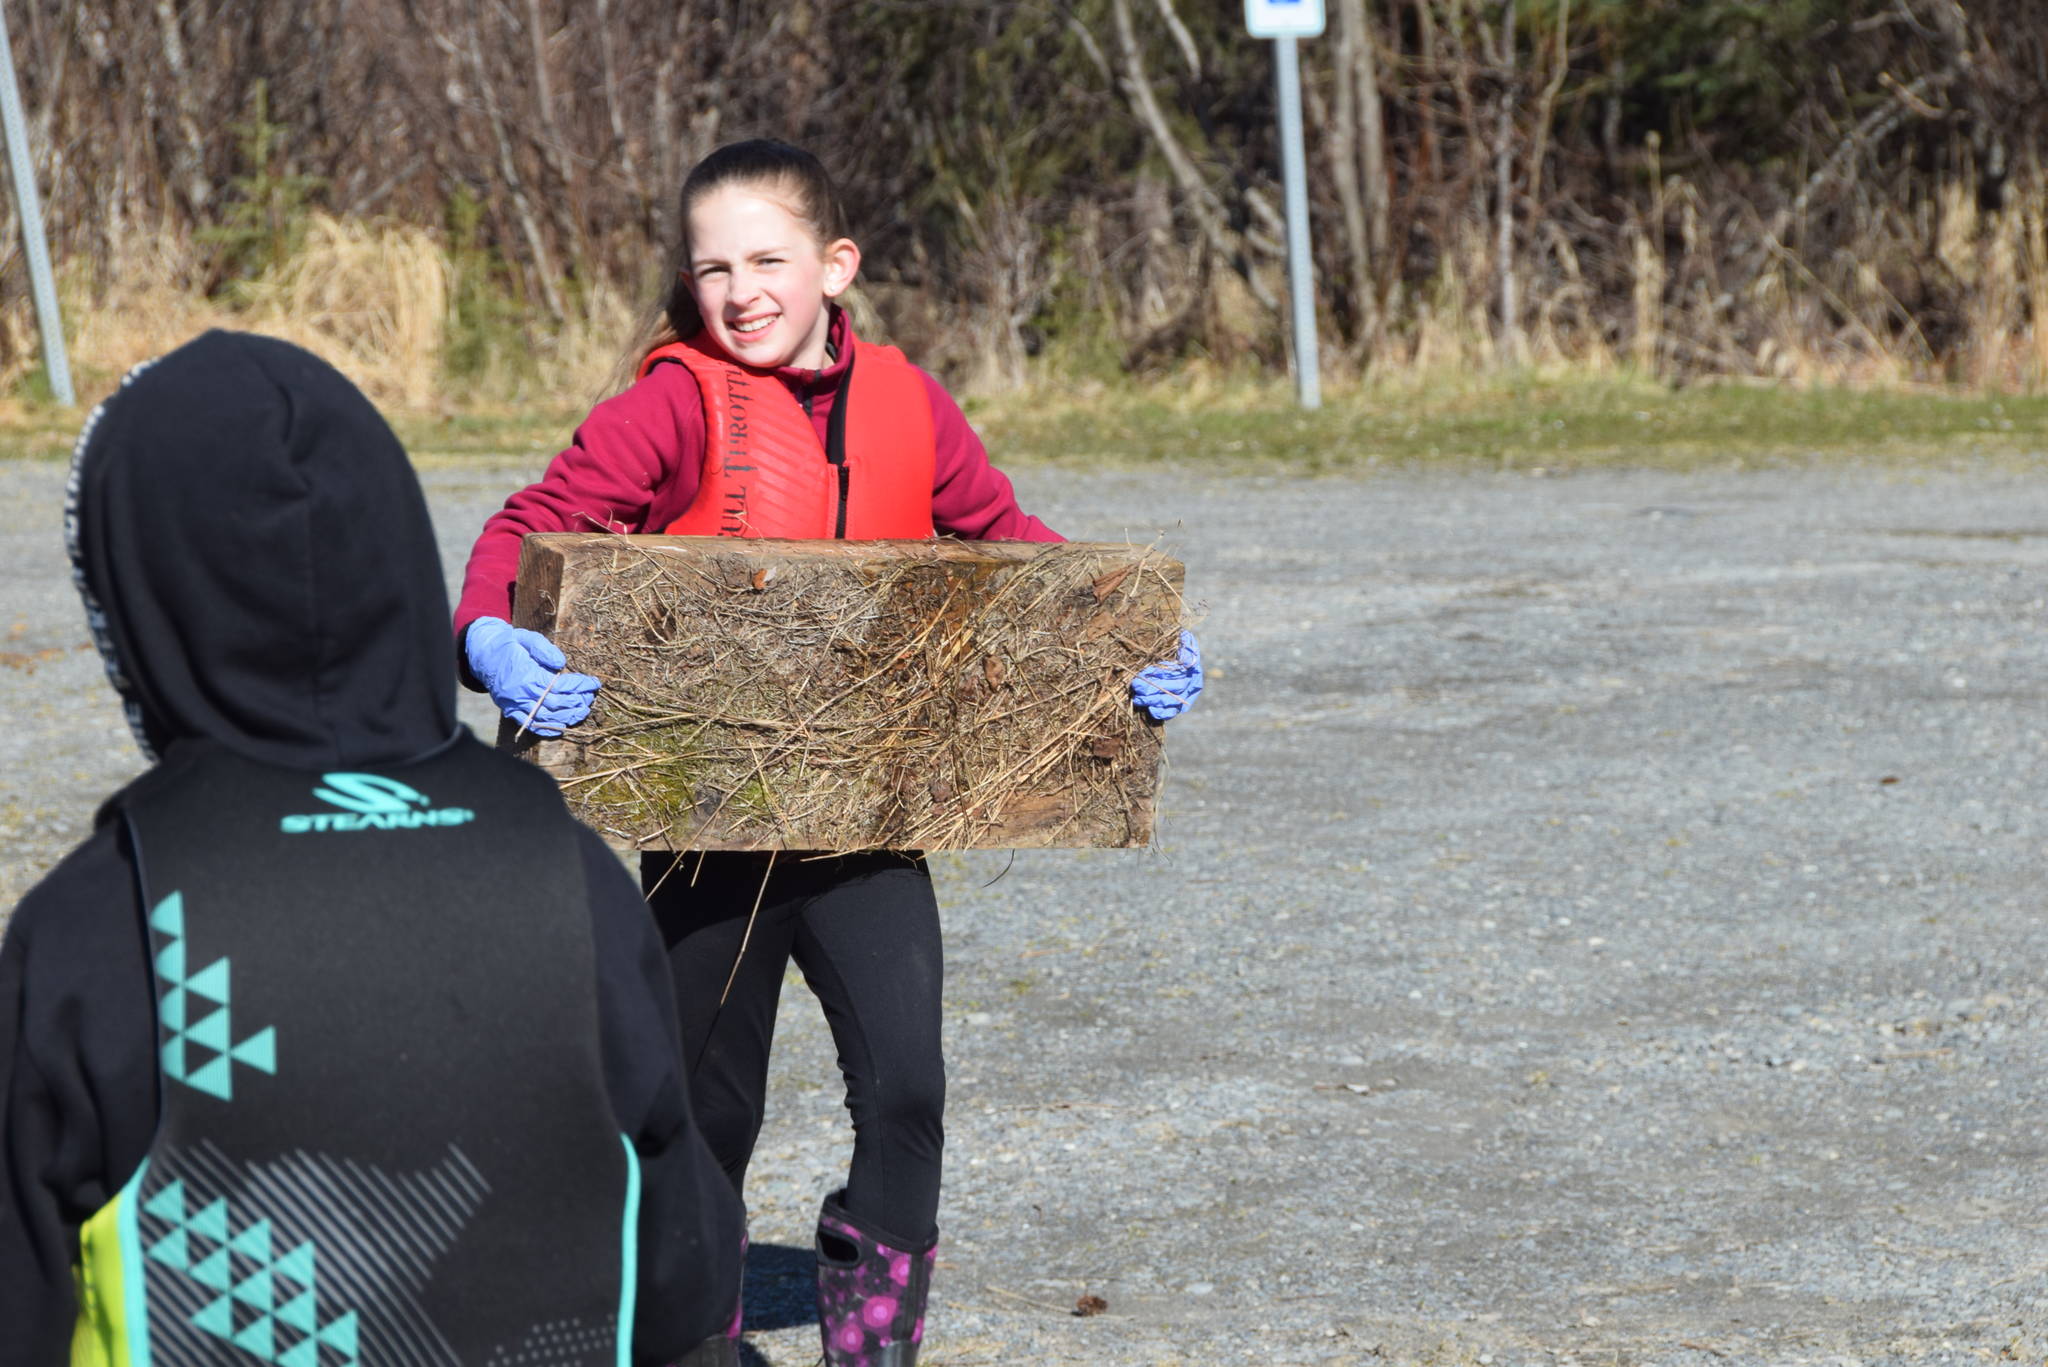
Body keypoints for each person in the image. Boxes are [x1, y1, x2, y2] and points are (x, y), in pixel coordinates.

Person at [455, 138, 1204, 1367]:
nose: (740, 291)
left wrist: (1126, 639)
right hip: (708, 832)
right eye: (711, 269)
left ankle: (872, 1347)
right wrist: (485, 628)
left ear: (834, 264)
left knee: (908, 1089)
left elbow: (1008, 533)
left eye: (767, 259)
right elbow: (532, 521)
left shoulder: (910, 401)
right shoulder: (668, 404)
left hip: (869, 822)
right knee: (707, 1113)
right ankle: (694, 1339)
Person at [0, 331, 743, 1366]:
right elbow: (681, 1280)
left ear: (134, 598)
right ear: (395, 557)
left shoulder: (101, 921)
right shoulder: (569, 875)